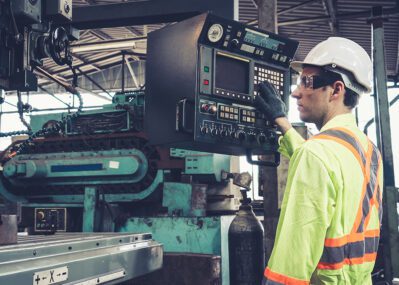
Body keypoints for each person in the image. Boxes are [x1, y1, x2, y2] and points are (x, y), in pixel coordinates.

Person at [256, 37, 383, 285]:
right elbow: (323, 163)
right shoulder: (367, 150)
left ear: (336, 90)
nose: (295, 92)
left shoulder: (317, 154)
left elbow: (289, 270)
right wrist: (282, 121)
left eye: (306, 82)